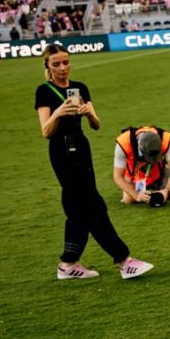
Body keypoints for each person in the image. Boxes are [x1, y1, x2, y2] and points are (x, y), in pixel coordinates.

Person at [34, 44, 154, 281]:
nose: (62, 68)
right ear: (47, 66)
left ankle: (68, 263)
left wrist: (89, 113)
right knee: (93, 206)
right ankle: (124, 260)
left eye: (66, 62)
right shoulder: (44, 91)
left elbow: (96, 125)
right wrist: (59, 112)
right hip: (61, 150)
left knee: (77, 209)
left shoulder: (80, 87)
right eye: (56, 64)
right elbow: (46, 131)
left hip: (81, 147)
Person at [112, 126, 170, 206]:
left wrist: (166, 190)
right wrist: (136, 195)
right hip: (135, 174)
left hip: (159, 170)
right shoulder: (123, 143)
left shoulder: (166, 139)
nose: (152, 161)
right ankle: (150, 190)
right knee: (128, 199)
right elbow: (117, 176)